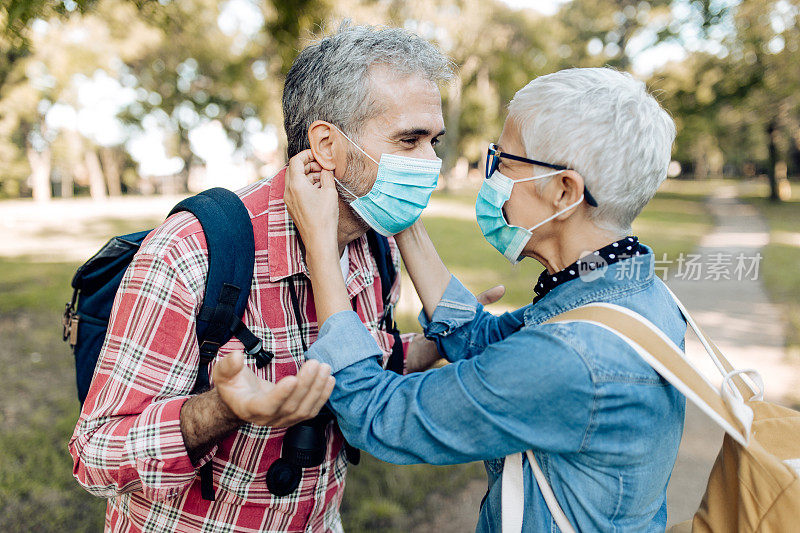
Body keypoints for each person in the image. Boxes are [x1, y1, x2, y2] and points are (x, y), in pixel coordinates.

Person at [69, 24, 455, 532]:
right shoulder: (195, 250)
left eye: (434, 141)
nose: (432, 163)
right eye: (410, 140)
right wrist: (221, 410)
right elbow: (95, 454)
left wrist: (437, 345)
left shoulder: (376, 247)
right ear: (327, 145)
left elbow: (365, 355)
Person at [285, 67, 685, 532]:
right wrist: (403, 216)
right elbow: (484, 342)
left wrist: (319, 243)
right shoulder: (627, 291)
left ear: (564, 191)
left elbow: (379, 414)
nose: (492, 175)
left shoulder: (570, 357)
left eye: (506, 163)